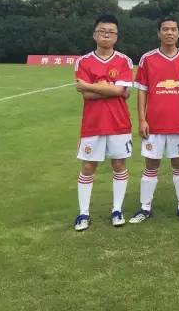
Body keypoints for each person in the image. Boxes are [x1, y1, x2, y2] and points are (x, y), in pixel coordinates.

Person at [129, 17, 179, 223]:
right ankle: (145, 207)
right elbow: (142, 91)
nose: (169, 33)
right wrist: (142, 120)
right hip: (154, 125)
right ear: (159, 33)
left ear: (178, 33)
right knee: (151, 165)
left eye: (173, 29)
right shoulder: (147, 59)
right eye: (165, 29)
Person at [73, 14, 134, 231]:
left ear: (116, 36)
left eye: (111, 32)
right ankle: (83, 213)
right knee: (88, 166)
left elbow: (120, 91)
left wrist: (92, 86)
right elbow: (87, 95)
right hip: (93, 124)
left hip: (119, 123)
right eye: (102, 31)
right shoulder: (83, 61)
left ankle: (117, 210)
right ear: (94, 34)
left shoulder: (124, 60)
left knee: (119, 165)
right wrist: (111, 89)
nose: (106, 35)